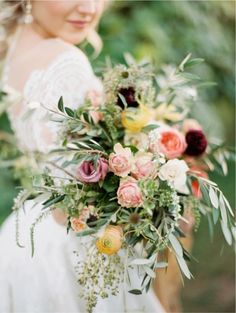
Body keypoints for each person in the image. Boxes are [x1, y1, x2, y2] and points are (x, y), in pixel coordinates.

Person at [0, 1, 166, 312]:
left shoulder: (15, 47)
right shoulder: (66, 60)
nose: (89, 8)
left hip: (29, 234)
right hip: (77, 243)